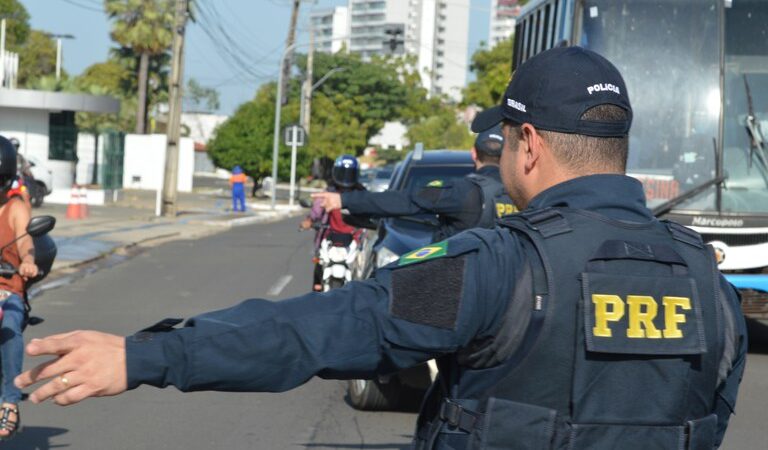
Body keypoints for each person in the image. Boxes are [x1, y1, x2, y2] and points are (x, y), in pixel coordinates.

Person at [15, 47, 747, 449]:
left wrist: (145, 356)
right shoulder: (711, 288)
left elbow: (319, 329)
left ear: (527, 144)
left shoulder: (501, 267)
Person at [312, 126, 516, 240]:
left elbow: (404, 200)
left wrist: (344, 200)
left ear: (474, 154)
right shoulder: (522, 193)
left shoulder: (463, 191)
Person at [0, 136, 38, 441]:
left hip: (7, 287)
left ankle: (10, 401)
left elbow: (25, 239)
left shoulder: (14, 207)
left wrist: (26, 260)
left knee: (9, 325)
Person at [300, 154, 366, 291]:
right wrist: (310, 220)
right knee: (319, 260)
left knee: (364, 273)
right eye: (342, 173)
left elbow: (371, 210)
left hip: (355, 240)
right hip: (330, 237)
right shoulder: (329, 192)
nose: (345, 178)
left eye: (350, 174)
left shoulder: (361, 193)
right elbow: (317, 209)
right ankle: (317, 287)